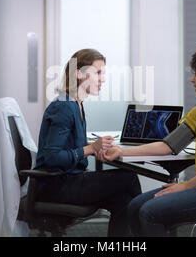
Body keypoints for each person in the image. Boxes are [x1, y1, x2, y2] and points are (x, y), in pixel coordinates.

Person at [98, 46, 196, 236]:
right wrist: (121, 151)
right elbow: (168, 145)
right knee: (134, 206)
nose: (192, 79)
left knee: (150, 211)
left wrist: (185, 186)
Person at [35, 48, 142, 237]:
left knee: (123, 200)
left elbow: (72, 149)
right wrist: (90, 148)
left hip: (69, 179)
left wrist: (95, 150)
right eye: (98, 73)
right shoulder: (64, 107)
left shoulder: (76, 104)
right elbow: (51, 157)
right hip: (56, 185)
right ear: (79, 74)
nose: (103, 80)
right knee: (129, 178)